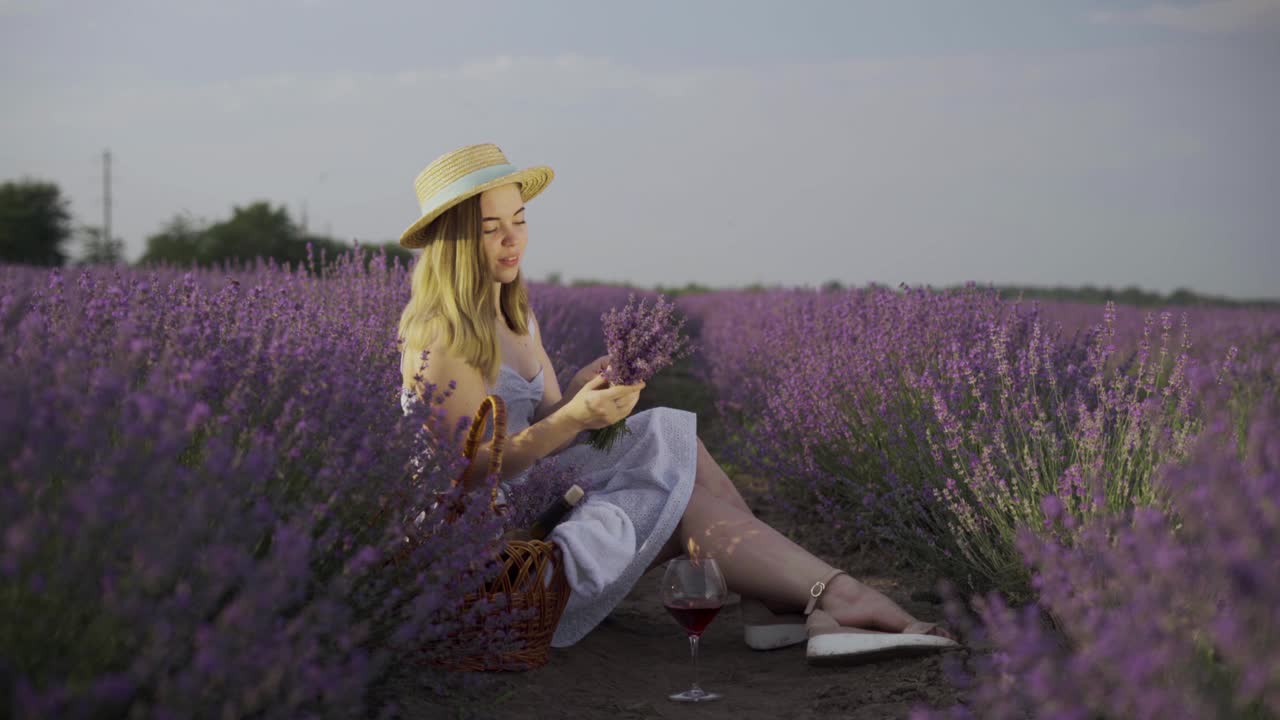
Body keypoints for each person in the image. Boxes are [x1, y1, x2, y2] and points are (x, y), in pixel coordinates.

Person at [397, 143, 958, 663]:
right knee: (679, 500)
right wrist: (574, 418)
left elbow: (540, 424)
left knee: (671, 433)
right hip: (497, 544)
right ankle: (820, 599)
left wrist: (576, 394)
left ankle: (800, 601)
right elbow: (471, 471)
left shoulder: (515, 313)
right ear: (452, 242)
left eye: (519, 221)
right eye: (491, 228)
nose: (512, 240)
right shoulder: (440, 336)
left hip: (537, 489)